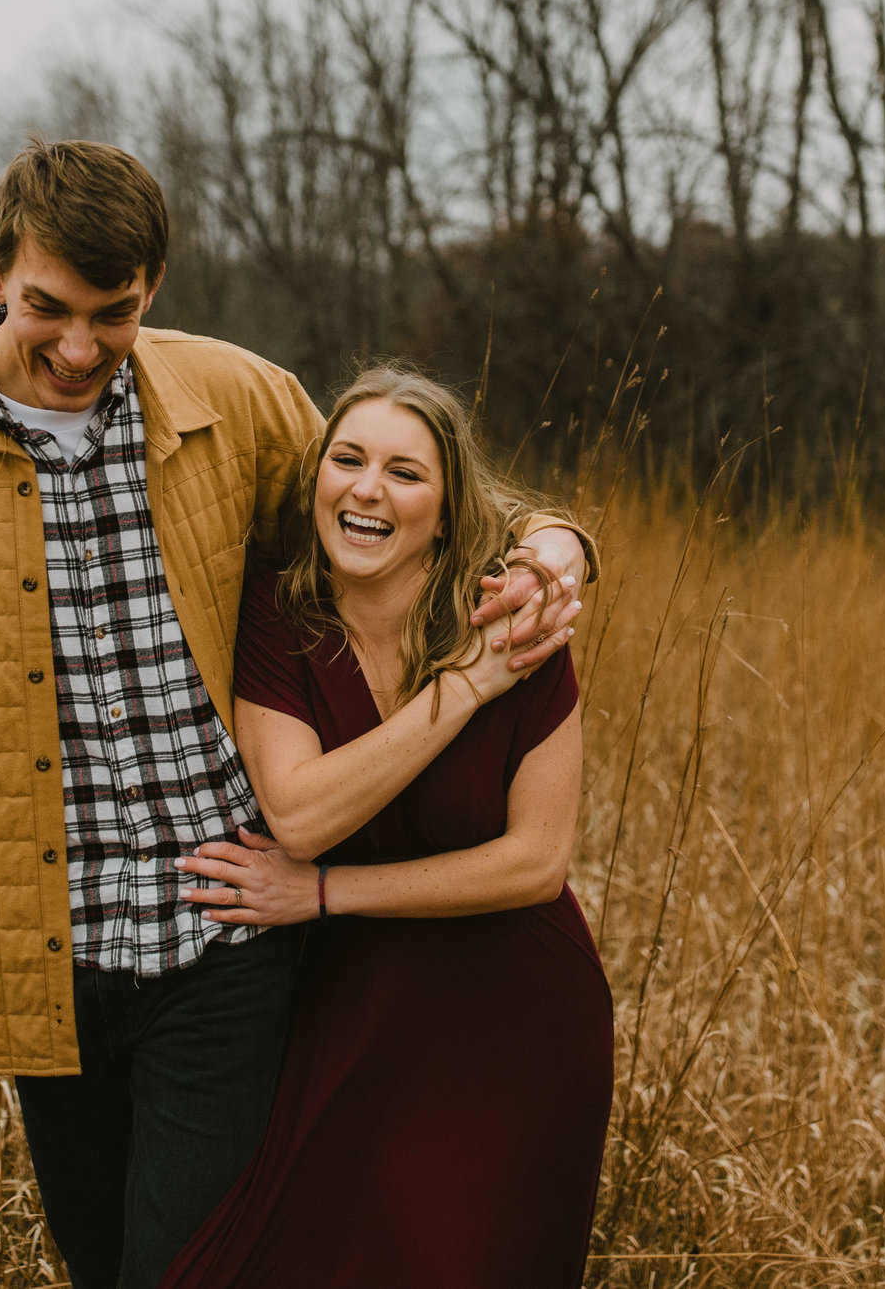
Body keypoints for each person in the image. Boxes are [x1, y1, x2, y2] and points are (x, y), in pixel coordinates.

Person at [0, 138, 592, 1289]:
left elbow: (398, 505)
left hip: (224, 942)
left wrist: (555, 543)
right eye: (48, 307)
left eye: (115, 313)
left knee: (194, 1266)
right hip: (41, 964)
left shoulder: (238, 405)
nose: (79, 347)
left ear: (152, 292)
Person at [155, 365, 614, 1289]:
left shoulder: (517, 624)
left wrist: (322, 893)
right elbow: (301, 810)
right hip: (358, 1017)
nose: (368, 488)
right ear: (316, 480)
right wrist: (468, 686)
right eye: (348, 459)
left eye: (406, 473)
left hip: (520, 1021)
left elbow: (535, 862)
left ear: (447, 512)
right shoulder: (278, 619)